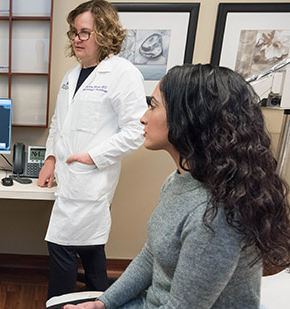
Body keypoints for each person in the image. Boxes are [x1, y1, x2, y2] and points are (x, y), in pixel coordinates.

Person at [64, 64, 290, 308]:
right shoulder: (178, 180)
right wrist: (103, 302)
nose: (143, 117)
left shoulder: (214, 215)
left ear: (189, 117)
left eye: (153, 106)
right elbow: (152, 255)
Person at [37, 0, 147, 300]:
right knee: (90, 248)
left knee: (61, 245)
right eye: (74, 32)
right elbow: (59, 123)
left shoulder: (122, 74)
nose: (76, 39)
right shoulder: (72, 76)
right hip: (68, 178)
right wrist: (49, 159)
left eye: (84, 32)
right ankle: (104, 301)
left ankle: (59, 304)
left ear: (105, 33)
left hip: (92, 180)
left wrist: (92, 156)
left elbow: (137, 130)